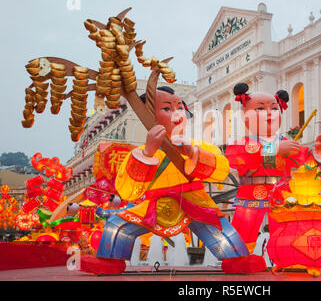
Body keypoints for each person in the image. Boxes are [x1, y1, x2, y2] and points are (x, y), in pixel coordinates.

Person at [79, 86, 266, 274]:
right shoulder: (141, 152)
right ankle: (109, 262)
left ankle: (238, 259)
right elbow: (127, 190)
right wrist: (147, 153)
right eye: (167, 109)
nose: (177, 114)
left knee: (223, 229)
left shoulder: (198, 145)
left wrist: (193, 153)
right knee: (116, 226)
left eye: (179, 107)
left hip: (197, 202)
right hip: (154, 205)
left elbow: (222, 169)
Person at [225, 83, 321, 253]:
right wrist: (276, 149)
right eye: (260, 109)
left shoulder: (286, 142)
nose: (269, 113)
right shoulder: (245, 142)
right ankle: (238, 257)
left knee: (286, 230)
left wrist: (318, 148)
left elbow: (303, 157)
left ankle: (286, 256)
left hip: (282, 194)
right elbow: (236, 157)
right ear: (245, 116)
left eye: (274, 108)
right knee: (243, 231)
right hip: (251, 192)